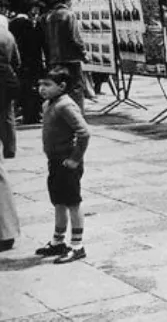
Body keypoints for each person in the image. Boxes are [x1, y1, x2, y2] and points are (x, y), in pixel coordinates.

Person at [34, 66, 91, 264]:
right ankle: (58, 241)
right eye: (40, 84)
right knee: (58, 201)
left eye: (47, 85)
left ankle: (77, 245)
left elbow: (84, 132)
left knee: (72, 203)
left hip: (67, 162)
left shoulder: (65, 105)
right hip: (55, 161)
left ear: (62, 86)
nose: (42, 88)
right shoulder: (49, 103)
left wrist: (75, 158)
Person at [41, 0, 86, 113]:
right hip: (71, 58)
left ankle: (60, 114)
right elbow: (75, 38)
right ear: (68, 0)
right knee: (76, 88)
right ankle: (77, 114)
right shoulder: (69, 14)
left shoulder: (49, 16)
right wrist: (84, 53)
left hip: (55, 58)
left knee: (59, 88)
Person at [9, 0, 46, 124]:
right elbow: (34, 44)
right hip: (31, 62)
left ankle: (27, 114)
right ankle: (32, 115)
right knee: (32, 89)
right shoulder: (26, 24)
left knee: (25, 89)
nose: (37, 12)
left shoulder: (12, 23)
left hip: (21, 62)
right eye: (35, 9)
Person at [0, 17, 20, 159]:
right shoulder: (9, 35)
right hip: (7, 78)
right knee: (7, 114)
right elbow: (17, 61)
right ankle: (10, 149)